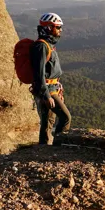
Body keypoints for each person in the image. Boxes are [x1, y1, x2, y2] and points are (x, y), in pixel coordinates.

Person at [31, 12, 71, 145]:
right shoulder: (42, 46)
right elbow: (39, 73)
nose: (60, 30)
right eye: (58, 27)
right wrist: (46, 95)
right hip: (48, 89)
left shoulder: (48, 44)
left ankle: (44, 147)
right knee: (65, 117)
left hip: (52, 88)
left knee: (48, 121)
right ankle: (59, 145)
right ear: (49, 27)